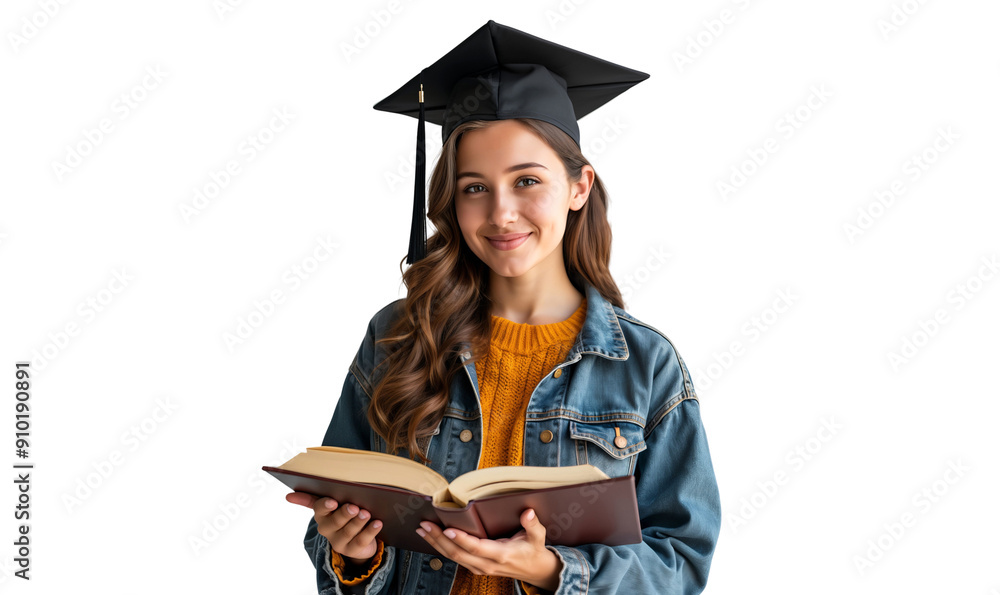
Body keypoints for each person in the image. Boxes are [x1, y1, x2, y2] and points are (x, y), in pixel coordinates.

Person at [286, 20, 722, 594]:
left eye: (527, 181)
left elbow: (682, 564)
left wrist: (549, 571)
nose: (501, 214)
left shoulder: (645, 365)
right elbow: (331, 529)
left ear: (579, 187)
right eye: (474, 187)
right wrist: (353, 553)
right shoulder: (398, 336)